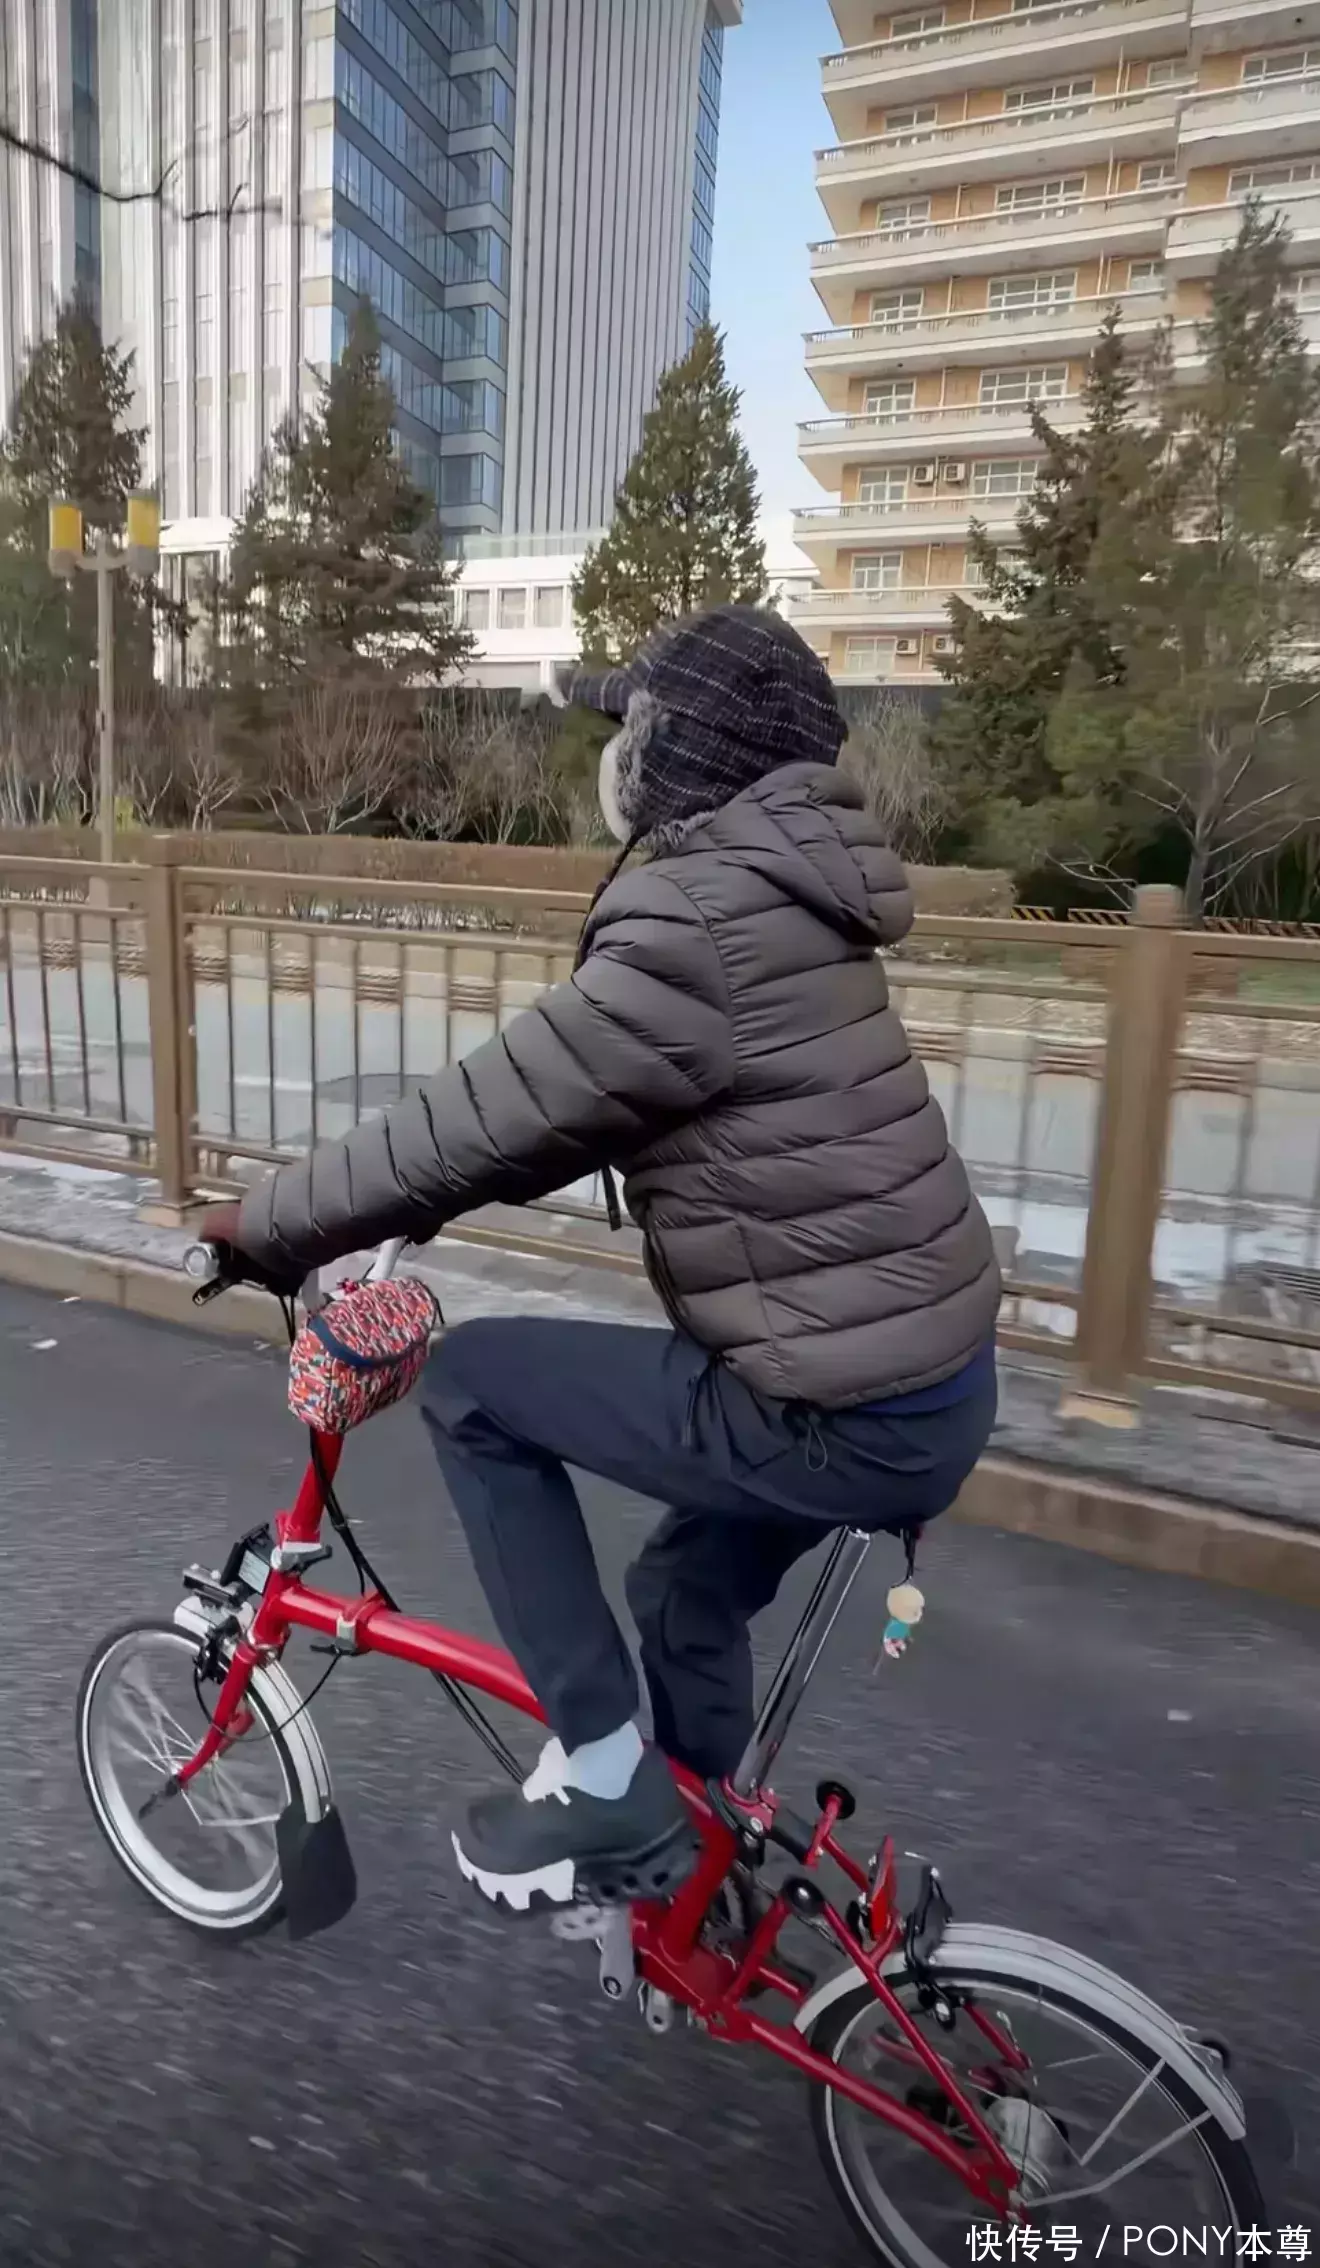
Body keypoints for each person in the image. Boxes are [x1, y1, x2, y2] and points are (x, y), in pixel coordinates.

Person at [200, 605, 1001, 1916]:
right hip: (929, 1385)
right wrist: (458, 1189)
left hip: (838, 1407)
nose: (613, 758)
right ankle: (697, 1868)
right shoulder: (791, 902)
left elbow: (479, 1113)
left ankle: (610, 1778)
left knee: (475, 1387)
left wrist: (269, 1224)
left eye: (631, 728)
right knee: (681, 1587)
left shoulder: (697, 924)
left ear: (677, 753)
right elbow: (601, 1106)